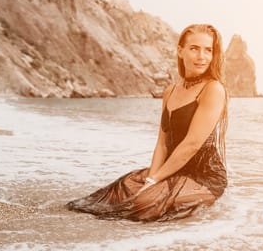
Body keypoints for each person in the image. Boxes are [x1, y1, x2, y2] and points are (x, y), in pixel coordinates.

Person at [66, 24, 228, 222]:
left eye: (208, 50)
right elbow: (162, 142)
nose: (201, 56)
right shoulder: (170, 92)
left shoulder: (213, 89)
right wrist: (152, 176)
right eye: (194, 48)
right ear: (180, 51)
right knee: (121, 189)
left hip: (205, 177)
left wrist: (154, 180)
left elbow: (191, 145)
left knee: (143, 203)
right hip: (175, 168)